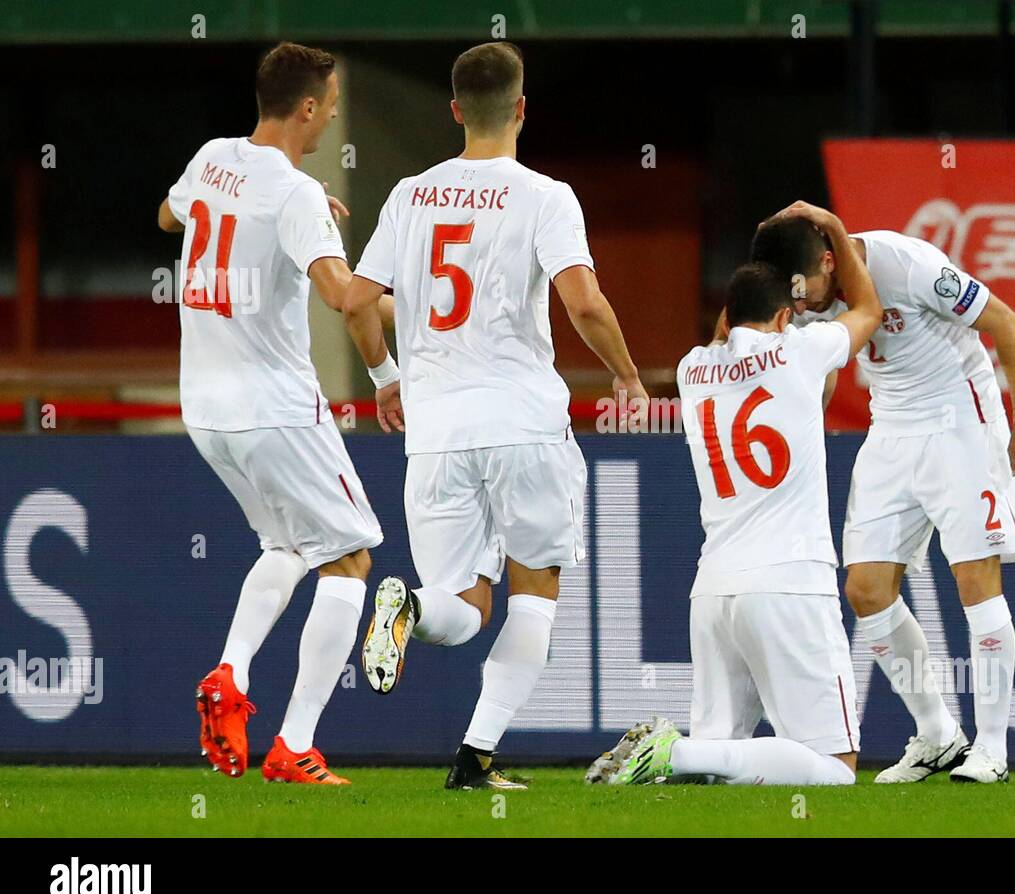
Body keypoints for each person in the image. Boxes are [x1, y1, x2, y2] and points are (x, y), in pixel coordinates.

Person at [341, 42, 648, 790]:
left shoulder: (410, 194)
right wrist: (629, 377)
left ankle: (409, 608)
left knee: (465, 605)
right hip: (522, 421)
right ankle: (475, 755)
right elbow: (582, 302)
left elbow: (355, 299)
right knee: (533, 591)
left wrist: (387, 377)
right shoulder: (545, 195)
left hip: (437, 431)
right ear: (520, 109)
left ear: (454, 111)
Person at [749, 202, 1015, 783]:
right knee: (865, 589)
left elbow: (1007, 324)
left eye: (804, 286)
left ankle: (991, 748)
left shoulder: (907, 264)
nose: (802, 301)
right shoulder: (803, 295)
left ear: (831, 259)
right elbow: (825, 368)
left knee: (974, 578)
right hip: (888, 426)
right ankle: (938, 734)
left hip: (959, 418)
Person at [159, 42, 391, 785]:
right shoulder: (293, 193)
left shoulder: (211, 158)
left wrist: (279, 210)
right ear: (309, 109)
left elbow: (168, 215)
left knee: (291, 547)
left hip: (205, 408)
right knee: (350, 557)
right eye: (327, 103)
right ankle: (294, 746)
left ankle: (230, 673)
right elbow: (340, 294)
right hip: (275, 408)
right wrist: (401, 339)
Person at [594, 201, 882, 787]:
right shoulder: (801, 351)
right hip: (789, 583)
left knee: (719, 772)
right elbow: (869, 309)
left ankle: (680, 755)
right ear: (784, 318)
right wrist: (832, 229)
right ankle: (673, 754)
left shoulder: (691, 369)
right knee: (835, 768)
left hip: (716, 591)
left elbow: (729, 334)